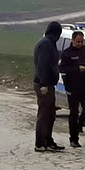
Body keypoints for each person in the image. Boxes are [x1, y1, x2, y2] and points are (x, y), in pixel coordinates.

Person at [33, 21, 64, 152]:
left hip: (48, 84)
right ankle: (40, 143)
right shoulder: (46, 44)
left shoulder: (48, 43)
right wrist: (44, 84)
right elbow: (43, 65)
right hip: (43, 84)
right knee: (44, 114)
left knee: (50, 114)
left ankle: (48, 140)